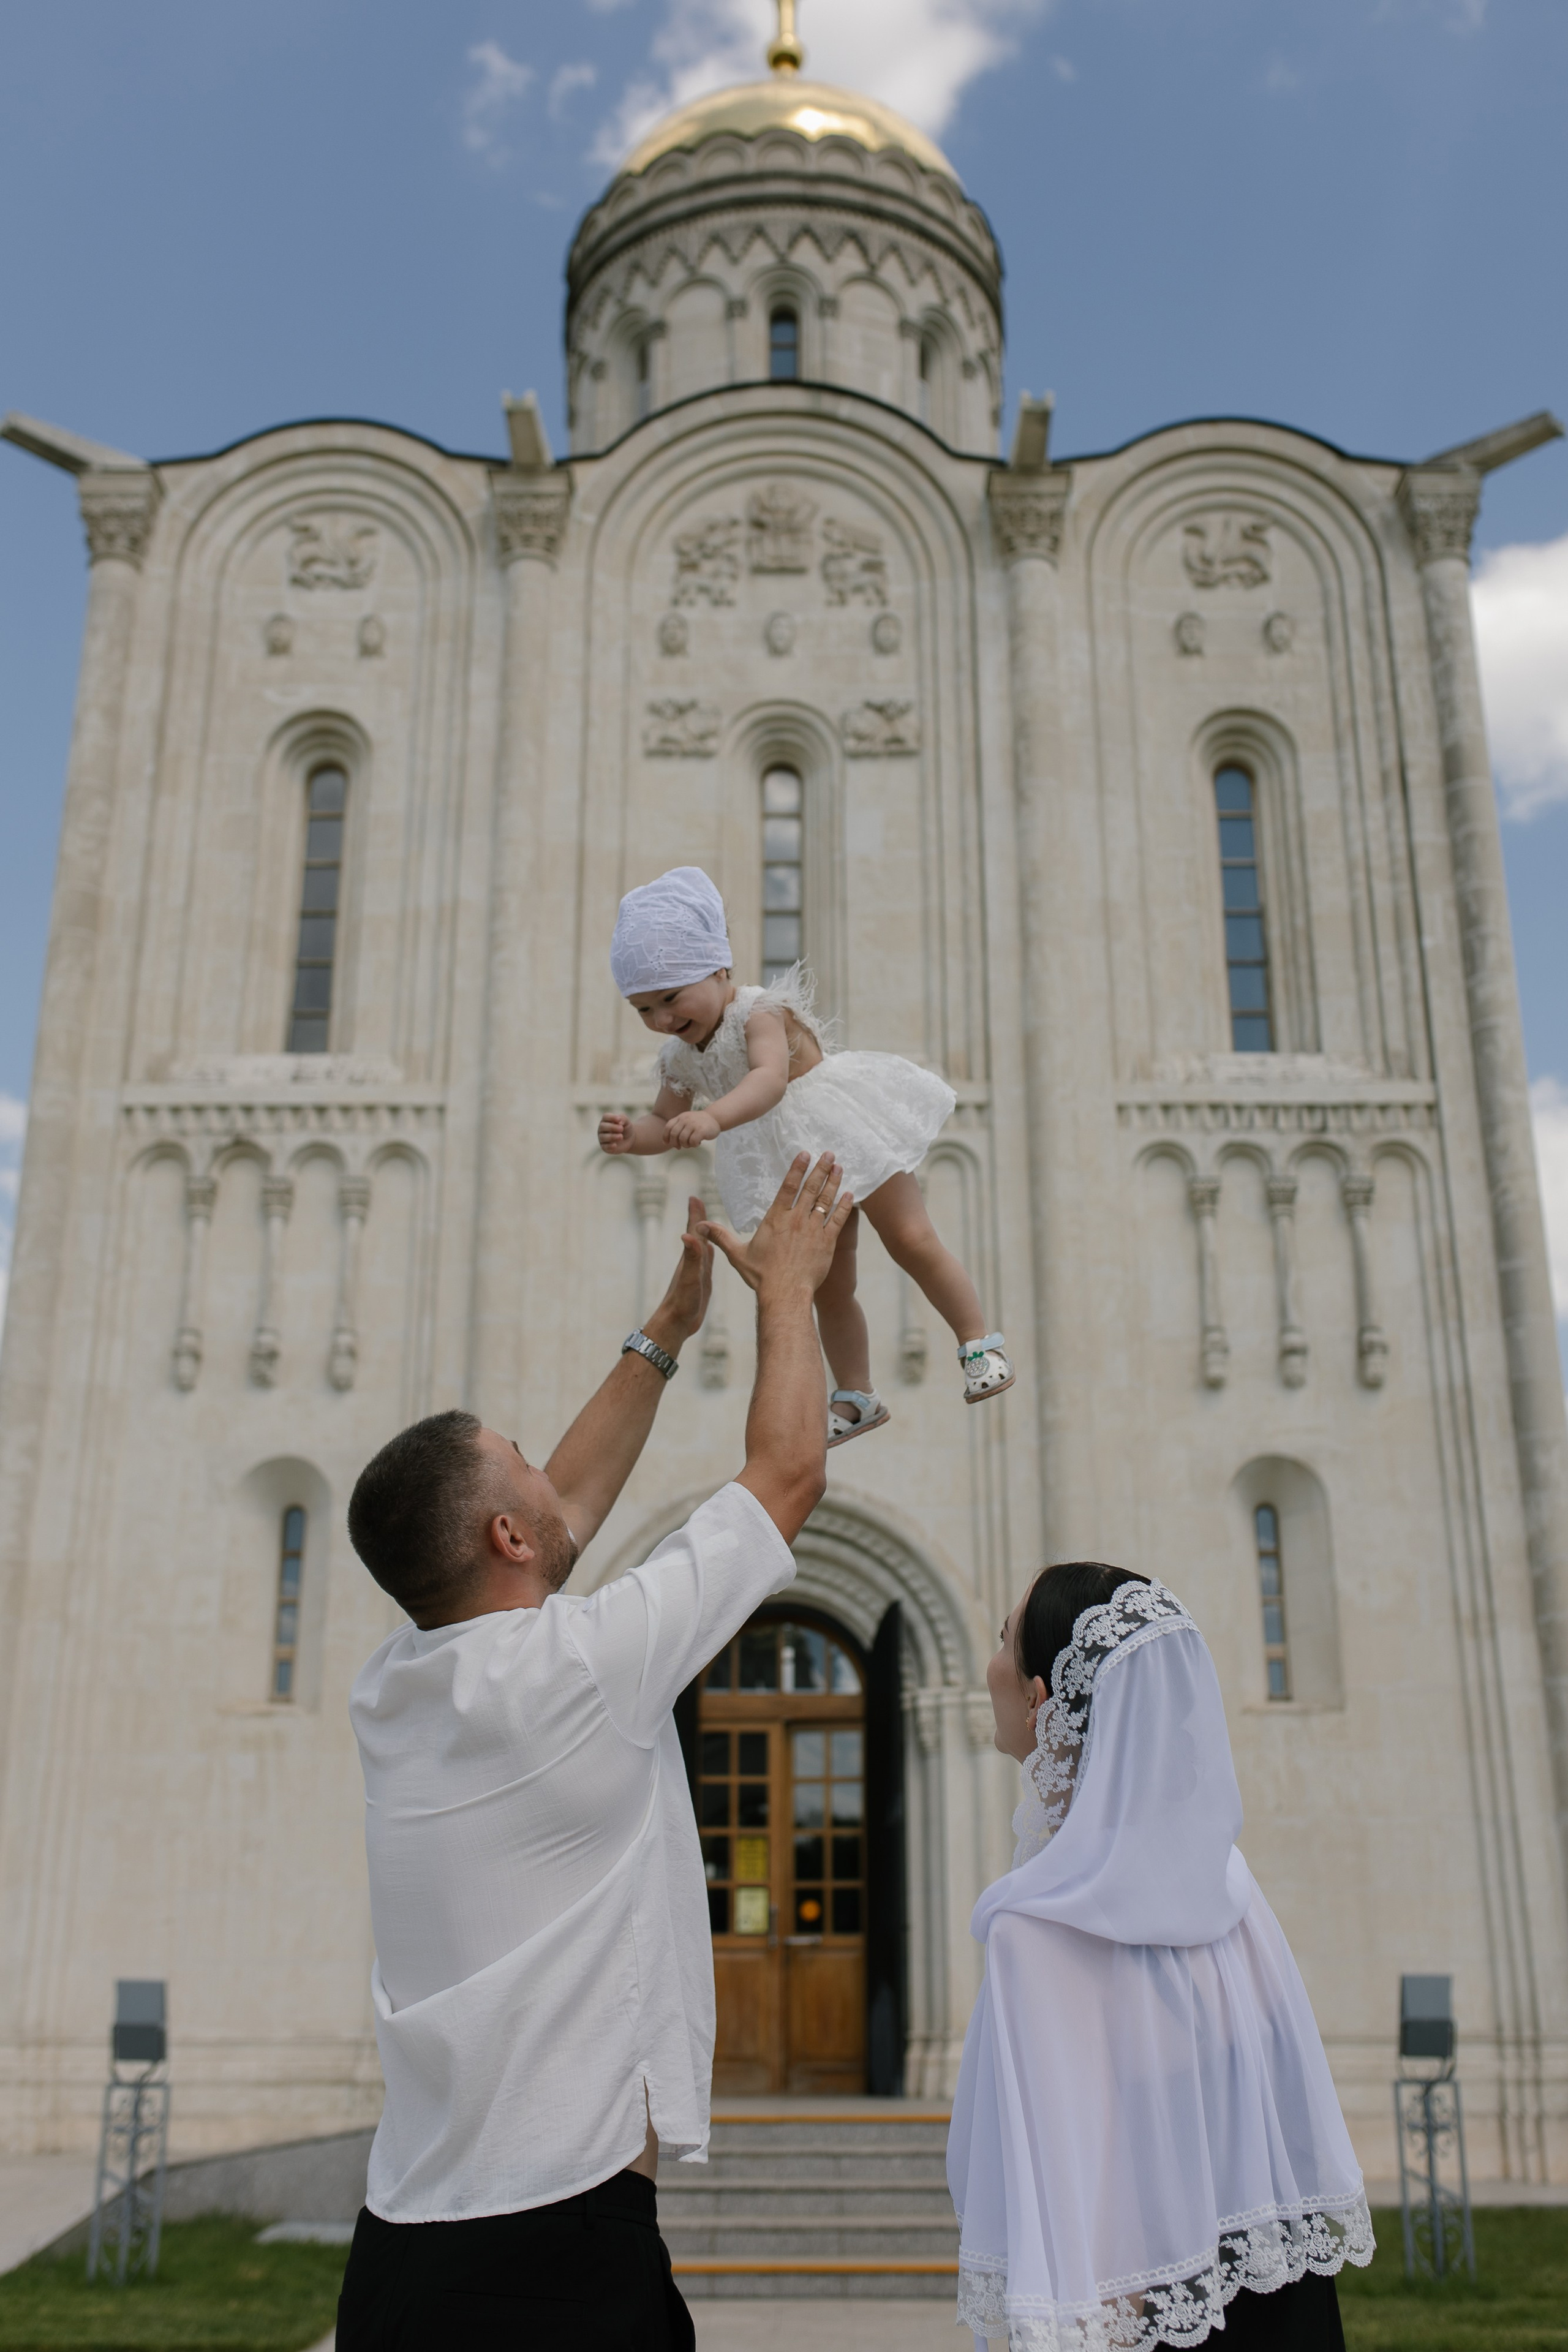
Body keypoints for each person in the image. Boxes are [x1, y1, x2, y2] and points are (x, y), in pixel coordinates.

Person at [334, 1155, 853, 2352]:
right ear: (506, 1537)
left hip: (400, 2249)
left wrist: (664, 1333)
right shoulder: (579, 1672)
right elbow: (787, 1473)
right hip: (552, 2254)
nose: (546, 1467)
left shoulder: (396, 1686)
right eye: (521, 1455)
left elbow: (554, 1511)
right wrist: (788, 1293)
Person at [949, 1562, 1373, 2352]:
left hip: (1142, 2320)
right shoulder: (1230, 1885)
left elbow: (1073, 2203)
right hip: (1276, 2297)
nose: (990, 1662)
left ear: (1040, 1700)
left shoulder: (1033, 1932)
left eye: (1004, 1639)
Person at [598, 864, 1012, 1447]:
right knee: (828, 1285)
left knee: (911, 1238)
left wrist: (713, 1118)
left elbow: (769, 1080)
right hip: (795, 1165)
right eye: (643, 1009)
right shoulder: (679, 1057)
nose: (662, 1019)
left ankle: (978, 1345)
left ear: (719, 969)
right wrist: (632, 1137)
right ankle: (857, 1395)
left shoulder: (759, 1013)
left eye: (670, 997)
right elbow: (664, 1122)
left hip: (843, 1130)